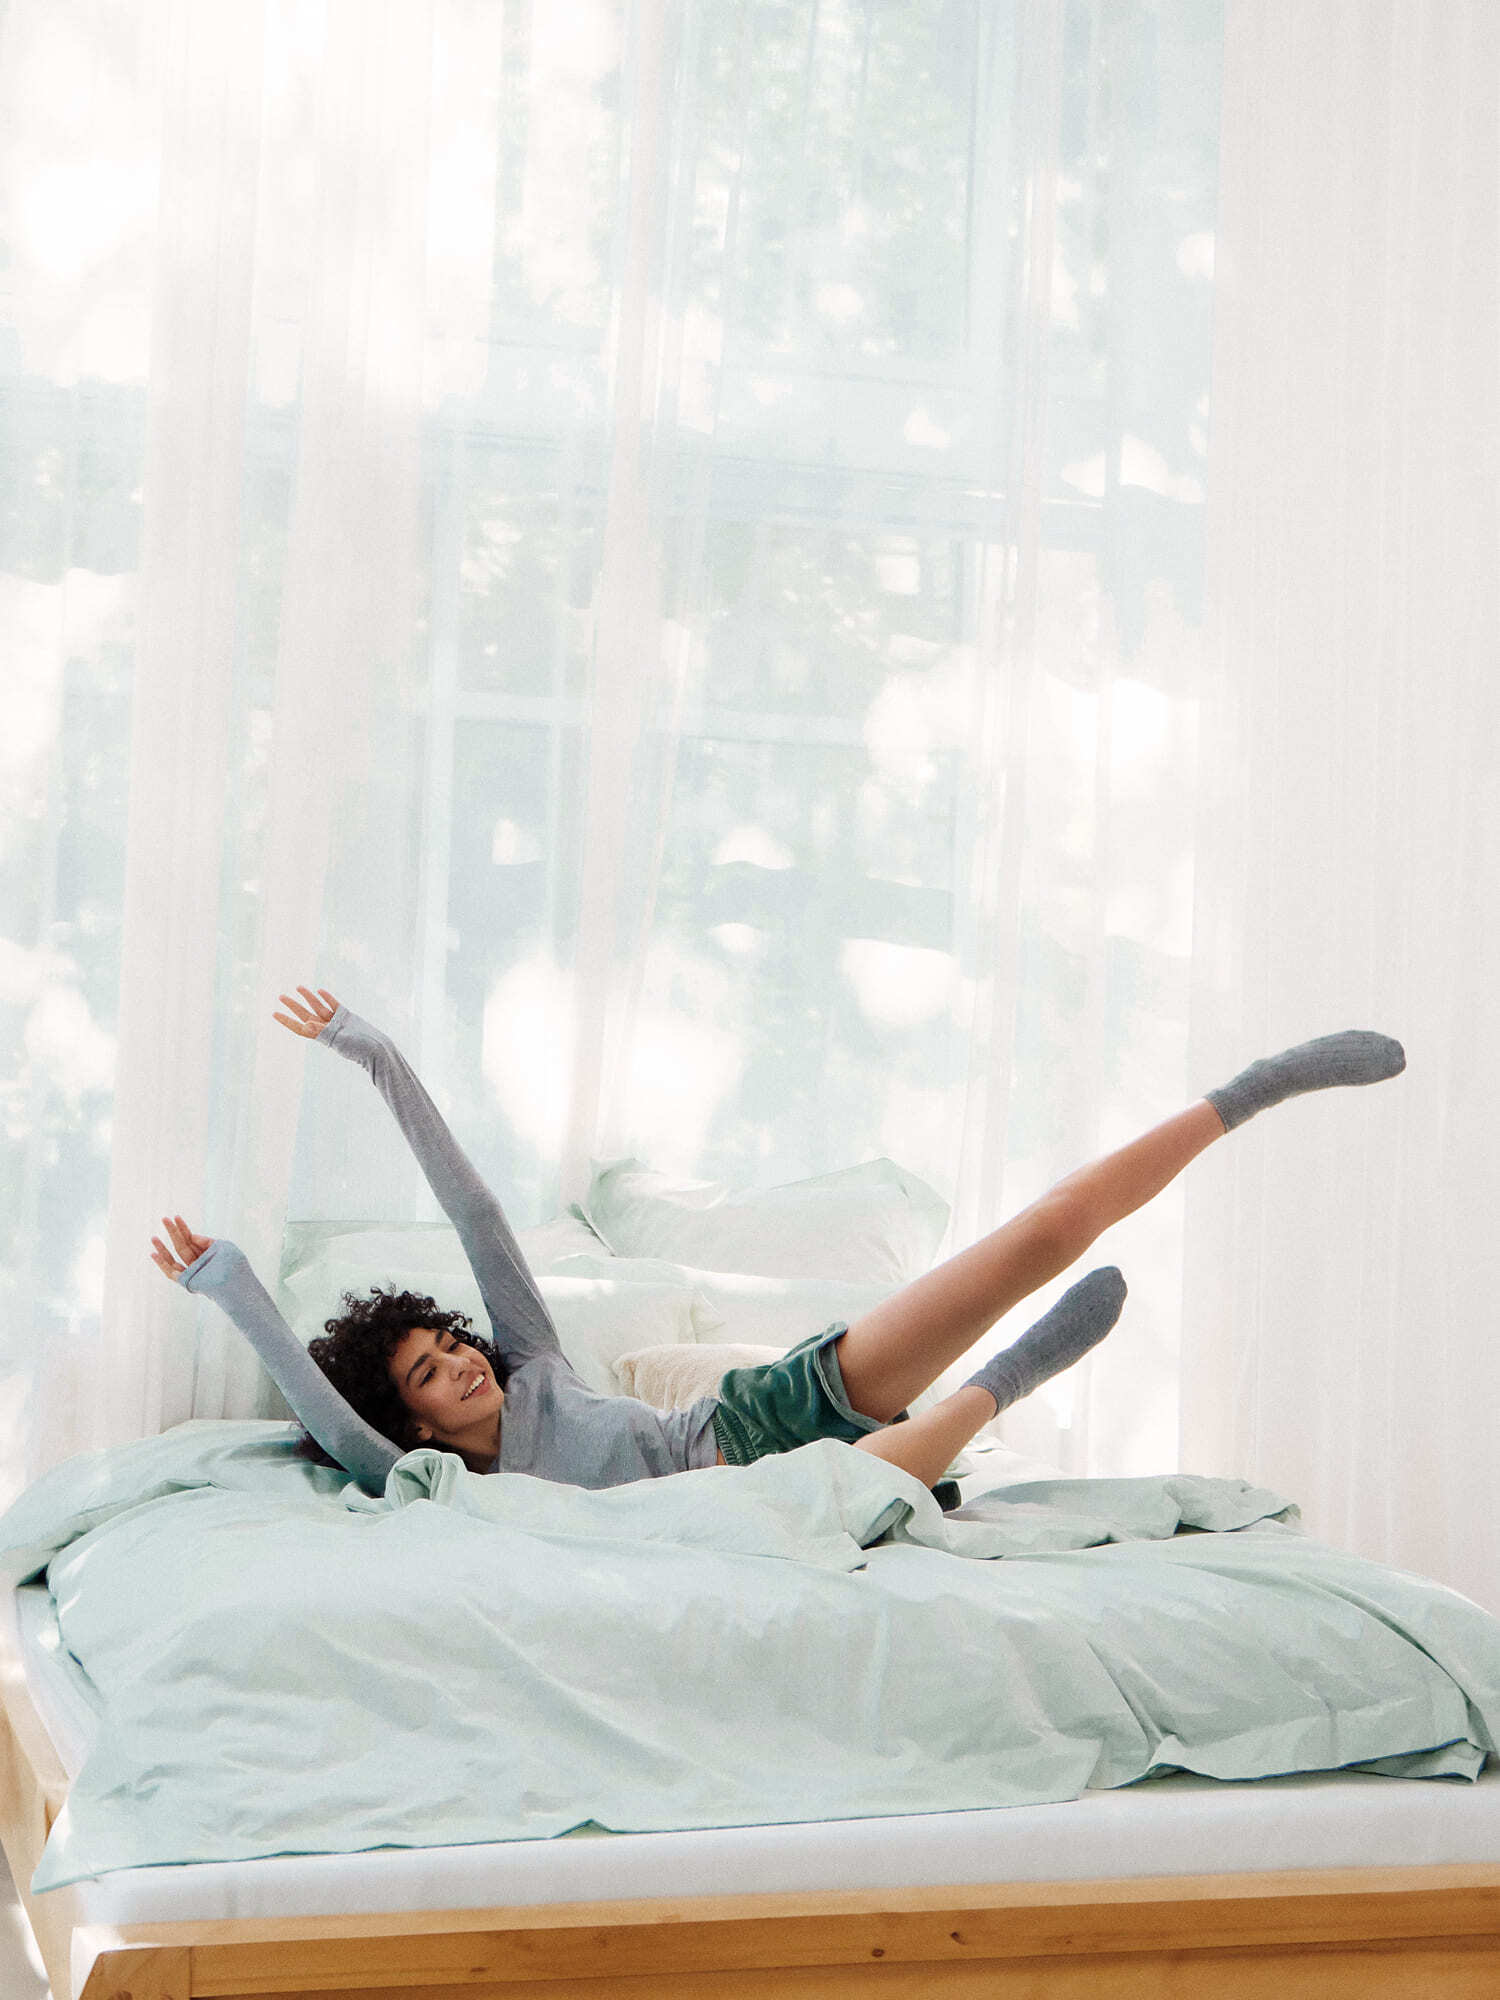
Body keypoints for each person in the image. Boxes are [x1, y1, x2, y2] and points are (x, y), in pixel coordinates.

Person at [149, 987, 1405, 1503]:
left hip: (756, 1418)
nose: (460, 1363)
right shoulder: (433, 1488)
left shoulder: (534, 1369)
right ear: (411, 1419)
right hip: (756, 1515)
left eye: (449, 1344)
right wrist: (229, 1280)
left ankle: (1255, 1087)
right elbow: (326, 1417)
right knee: (855, 1490)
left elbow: (480, 1217)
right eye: (428, 1371)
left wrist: (375, 1054)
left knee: (1035, 1235)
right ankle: (1010, 1379)